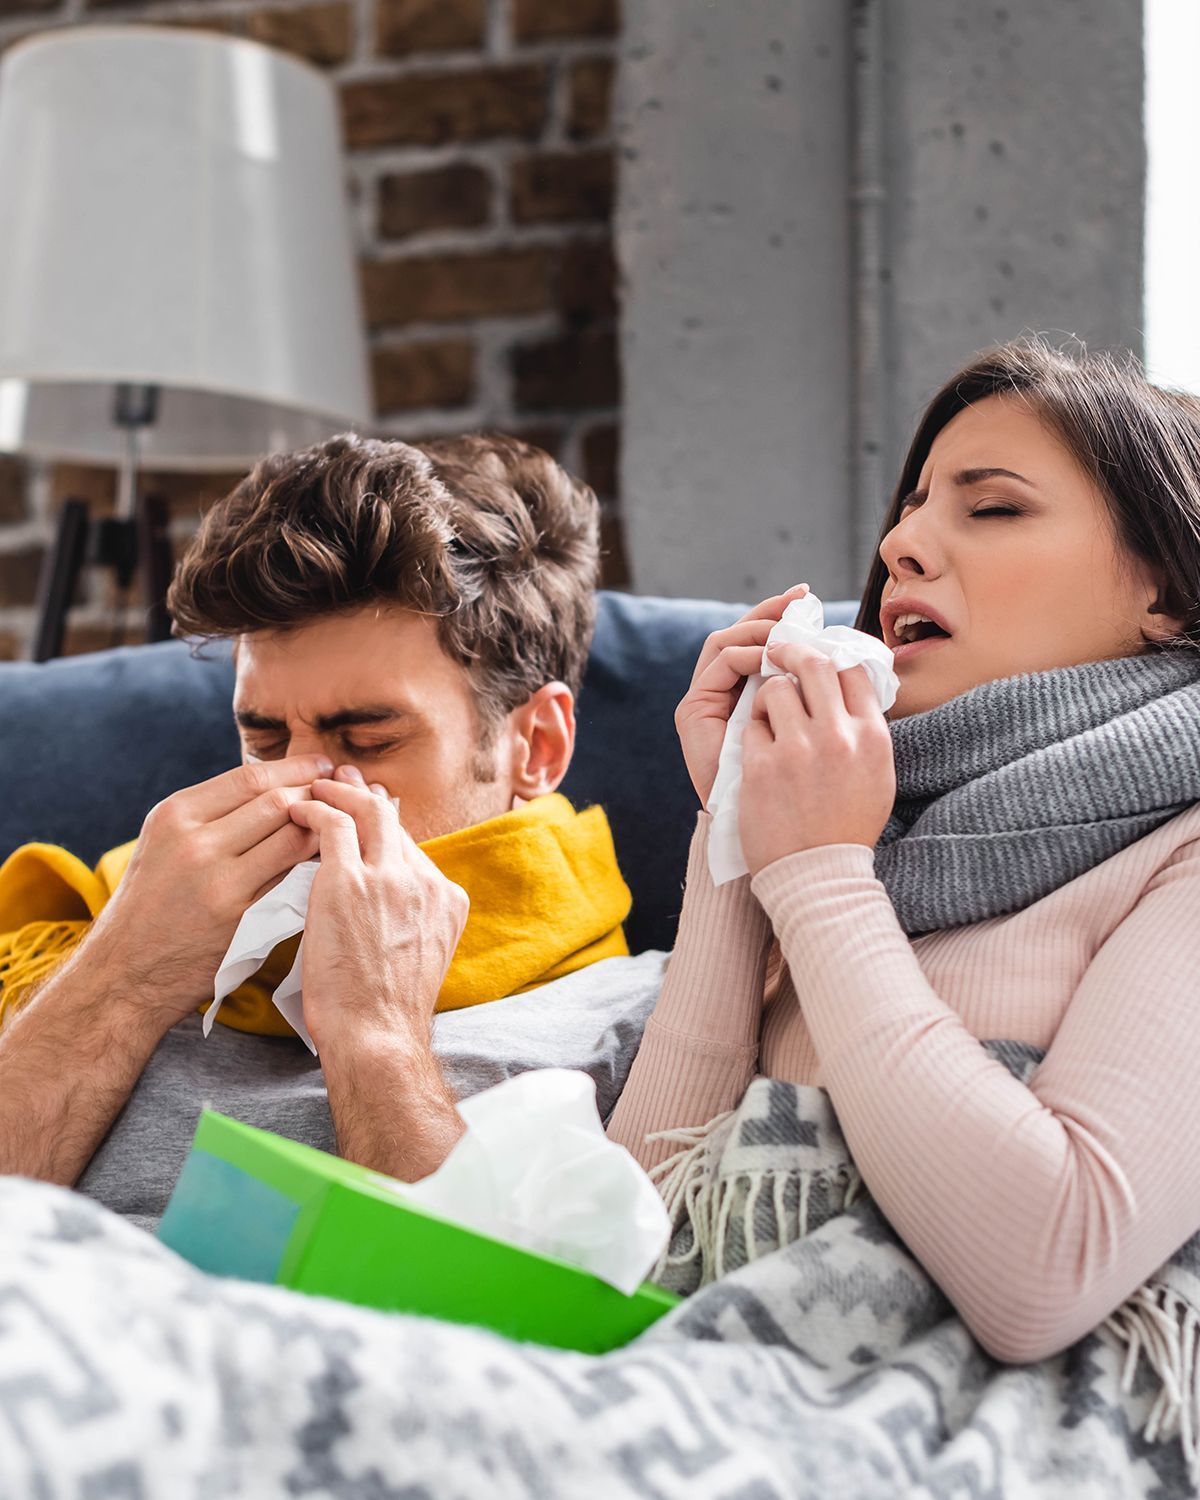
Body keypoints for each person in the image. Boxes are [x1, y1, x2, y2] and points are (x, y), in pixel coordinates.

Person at [608, 337, 1200, 1364]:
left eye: (994, 507)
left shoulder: (1177, 854)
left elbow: (1044, 1272)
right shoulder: (849, 835)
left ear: (1169, 594)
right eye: (910, 508)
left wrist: (821, 878)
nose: (903, 546)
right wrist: (739, 832)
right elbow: (626, 1247)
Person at [0, 432, 656, 1226]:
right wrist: (125, 975)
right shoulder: (100, 939)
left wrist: (375, 1039)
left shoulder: (638, 1020)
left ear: (536, 745)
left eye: (369, 741)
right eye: (264, 740)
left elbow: (490, 1330)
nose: (296, 794)